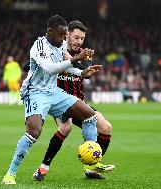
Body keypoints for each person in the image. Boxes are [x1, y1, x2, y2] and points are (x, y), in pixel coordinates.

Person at [2, 15, 102, 185]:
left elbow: (66, 63)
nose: (64, 38)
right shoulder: (39, 46)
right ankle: (10, 174)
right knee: (34, 131)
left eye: (65, 35)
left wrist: (82, 73)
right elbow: (49, 68)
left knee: (90, 115)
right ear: (50, 32)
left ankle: (91, 161)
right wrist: (76, 58)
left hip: (53, 91)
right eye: (61, 34)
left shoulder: (61, 44)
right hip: (35, 92)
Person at [32, 20, 115, 181]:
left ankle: (92, 166)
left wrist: (76, 60)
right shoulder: (53, 50)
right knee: (66, 127)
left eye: (82, 39)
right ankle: (43, 168)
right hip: (58, 101)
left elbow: (85, 67)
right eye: (76, 37)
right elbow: (34, 63)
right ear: (67, 35)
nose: (79, 42)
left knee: (106, 127)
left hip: (78, 102)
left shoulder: (85, 53)